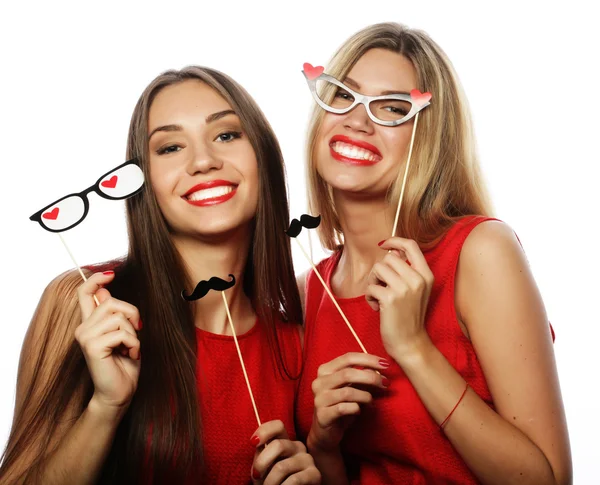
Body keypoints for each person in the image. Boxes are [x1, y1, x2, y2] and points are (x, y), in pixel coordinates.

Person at [0, 66, 320, 485]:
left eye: (226, 135)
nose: (204, 161)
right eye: (169, 148)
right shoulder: (89, 302)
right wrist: (106, 407)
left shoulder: (295, 345)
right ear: (143, 181)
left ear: (265, 156)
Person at [295, 23, 572, 484]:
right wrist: (323, 450)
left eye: (393, 109)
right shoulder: (309, 291)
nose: (359, 121)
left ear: (428, 138)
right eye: (343, 96)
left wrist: (413, 348)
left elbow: (548, 480)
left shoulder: (480, 252)